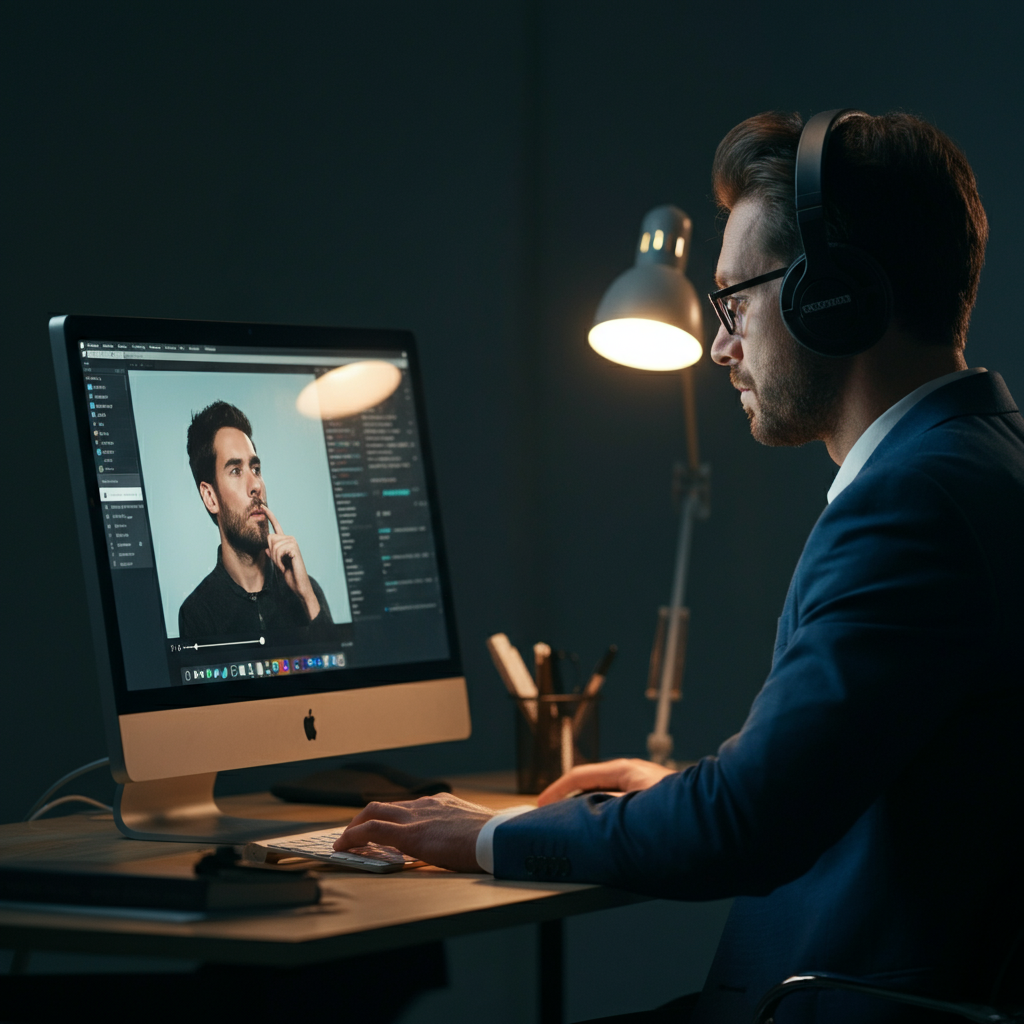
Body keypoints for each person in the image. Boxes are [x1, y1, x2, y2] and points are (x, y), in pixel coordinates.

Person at [335, 111, 1024, 1022]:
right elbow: (897, 778)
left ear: (835, 295)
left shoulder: (910, 505)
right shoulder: (986, 461)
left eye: (735, 302)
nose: (720, 346)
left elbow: (742, 832)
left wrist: (494, 835)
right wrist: (692, 790)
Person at [178, 401, 333, 638]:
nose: (256, 486)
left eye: (256, 469)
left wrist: (307, 598)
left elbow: (339, 673)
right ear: (210, 497)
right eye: (235, 471)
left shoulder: (307, 592)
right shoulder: (198, 614)